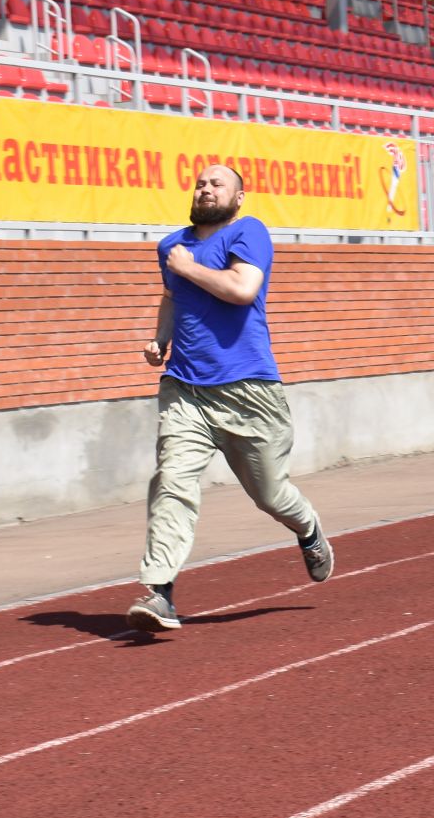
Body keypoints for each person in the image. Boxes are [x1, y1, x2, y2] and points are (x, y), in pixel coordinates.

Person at [128, 164, 335, 633]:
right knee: (172, 480)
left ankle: (307, 528)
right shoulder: (173, 246)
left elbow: (243, 290)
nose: (205, 189)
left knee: (270, 495)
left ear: (238, 197)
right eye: (200, 183)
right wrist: (160, 339)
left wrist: (188, 267)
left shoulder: (248, 231)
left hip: (249, 391)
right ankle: (159, 591)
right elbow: (171, 296)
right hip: (185, 389)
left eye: (217, 184)